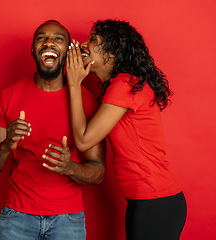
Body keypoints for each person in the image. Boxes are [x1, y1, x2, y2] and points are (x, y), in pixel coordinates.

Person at [0, 20, 106, 240]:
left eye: (58, 39)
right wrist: (7, 144)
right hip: (16, 218)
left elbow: (98, 172)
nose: (48, 42)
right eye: (41, 38)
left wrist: (70, 168)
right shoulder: (9, 96)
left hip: (68, 220)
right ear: (32, 49)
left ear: (69, 50)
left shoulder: (86, 101)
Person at [66, 19, 187, 240]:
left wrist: (75, 84)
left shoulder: (124, 84)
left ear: (112, 54)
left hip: (155, 201)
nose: (84, 44)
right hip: (145, 201)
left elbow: (83, 141)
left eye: (93, 40)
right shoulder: (119, 86)